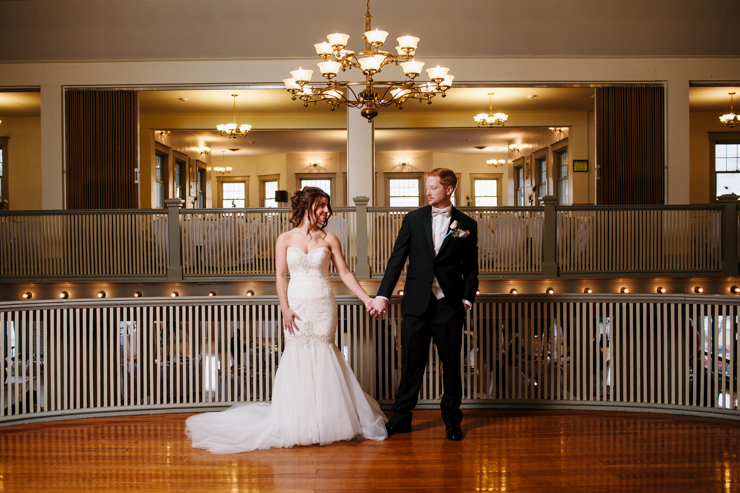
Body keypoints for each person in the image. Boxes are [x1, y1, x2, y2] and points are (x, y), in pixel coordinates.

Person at [186, 187, 387, 453]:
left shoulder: (330, 238)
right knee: (297, 357)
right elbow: (280, 277)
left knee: (324, 356)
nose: (327, 211)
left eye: (328, 206)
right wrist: (285, 308)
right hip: (297, 305)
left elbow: (346, 273)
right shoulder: (284, 239)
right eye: (322, 206)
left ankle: (325, 421)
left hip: (323, 304)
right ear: (307, 207)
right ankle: (300, 422)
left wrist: (366, 298)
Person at [368, 168, 479, 441]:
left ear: (449, 189)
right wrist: (383, 294)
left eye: (433, 187)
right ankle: (401, 418)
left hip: (450, 306)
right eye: (426, 187)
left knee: (452, 366)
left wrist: (466, 299)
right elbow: (396, 260)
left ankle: (452, 420)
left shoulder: (467, 224)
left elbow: (472, 269)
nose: (427, 192)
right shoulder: (413, 219)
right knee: (411, 365)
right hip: (416, 305)